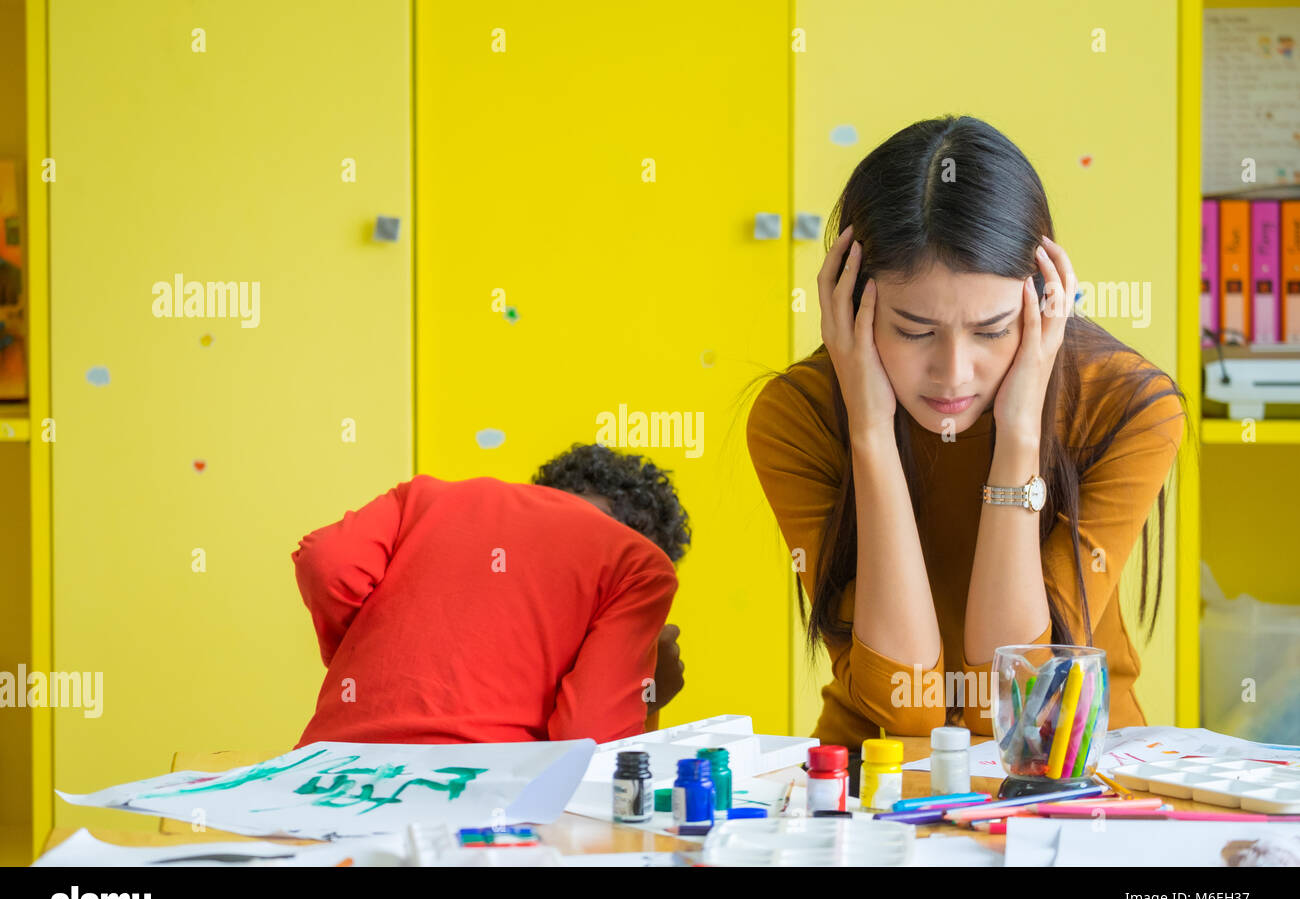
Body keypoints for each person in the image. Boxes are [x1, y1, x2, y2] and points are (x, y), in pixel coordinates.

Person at [745, 115, 1189, 748]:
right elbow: (909, 711)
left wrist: (1018, 438)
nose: (953, 373)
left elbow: (1019, 705)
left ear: (1044, 301)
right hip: (874, 777)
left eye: (991, 331)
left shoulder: (1126, 405)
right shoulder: (799, 416)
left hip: (1076, 774)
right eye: (914, 330)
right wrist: (870, 430)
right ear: (848, 299)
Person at [292, 442, 690, 747]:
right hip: (481, 793)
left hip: (325, 763)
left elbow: (327, 562)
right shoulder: (637, 561)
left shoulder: (423, 497)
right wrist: (641, 691)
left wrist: (367, 652)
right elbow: (586, 742)